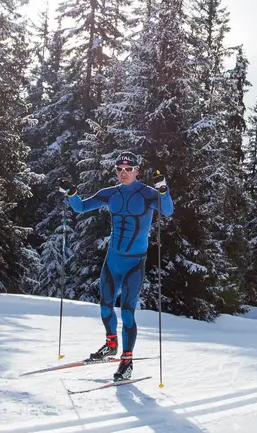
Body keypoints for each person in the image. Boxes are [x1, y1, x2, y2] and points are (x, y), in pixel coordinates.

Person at [63, 152, 174, 382]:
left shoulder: (147, 194)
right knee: (104, 308)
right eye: (119, 169)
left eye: (128, 169)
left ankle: (127, 361)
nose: (123, 173)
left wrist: (164, 190)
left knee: (127, 312)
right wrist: (72, 193)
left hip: (135, 262)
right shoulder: (110, 193)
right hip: (112, 260)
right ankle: (111, 344)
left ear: (137, 171)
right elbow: (81, 207)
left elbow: (168, 210)